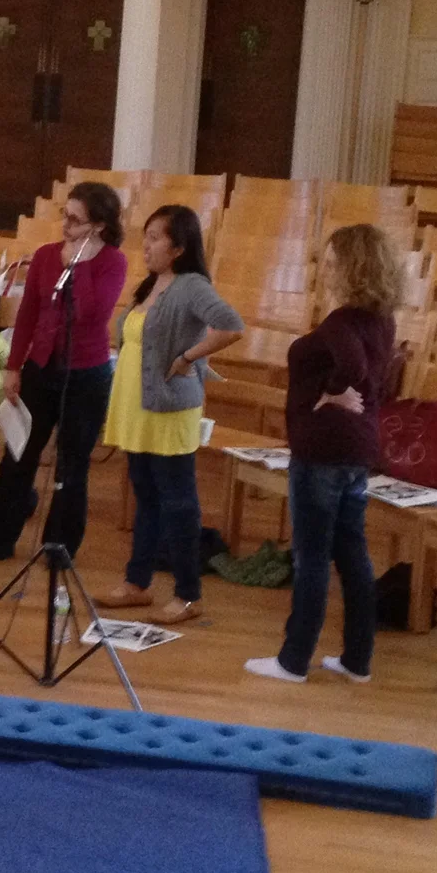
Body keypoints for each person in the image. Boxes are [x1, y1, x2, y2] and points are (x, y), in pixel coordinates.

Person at [245, 224, 400, 684]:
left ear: (353, 267)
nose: (325, 269)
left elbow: (350, 367)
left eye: (332, 261)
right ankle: (357, 659)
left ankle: (293, 661)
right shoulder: (382, 319)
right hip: (357, 450)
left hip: (323, 449)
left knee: (311, 557)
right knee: (352, 552)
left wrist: (330, 394)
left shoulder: (341, 323)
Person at [0, 182, 127, 562]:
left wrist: (78, 267)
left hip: (85, 377)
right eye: (64, 216)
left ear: (99, 226)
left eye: (75, 220)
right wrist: (14, 366)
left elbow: (92, 315)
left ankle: (59, 549)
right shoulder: (46, 255)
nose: (64, 225)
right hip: (39, 369)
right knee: (17, 456)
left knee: (72, 466)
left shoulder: (112, 262)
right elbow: (29, 315)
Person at [100, 204, 243, 624]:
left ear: (179, 247)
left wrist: (189, 357)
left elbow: (231, 326)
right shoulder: (150, 286)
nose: (146, 245)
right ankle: (137, 583)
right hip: (136, 405)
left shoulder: (191, 285)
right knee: (146, 496)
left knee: (178, 502)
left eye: (156, 238)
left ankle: (188, 594)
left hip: (169, 408)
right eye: (145, 236)